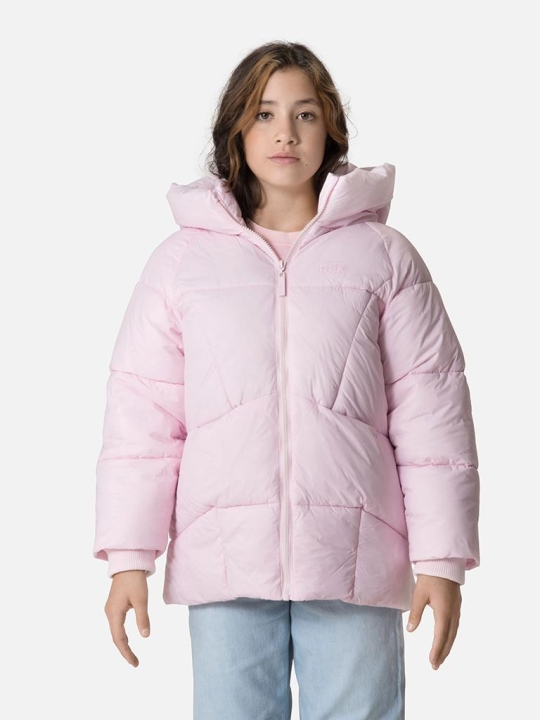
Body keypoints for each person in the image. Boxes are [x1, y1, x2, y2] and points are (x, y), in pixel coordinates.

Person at [93, 40, 480, 719]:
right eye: (264, 114)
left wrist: (443, 561)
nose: (285, 133)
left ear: (330, 129)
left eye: (305, 114)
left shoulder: (384, 258)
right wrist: (130, 556)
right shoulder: (181, 264)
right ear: (236, 131)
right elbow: (144, 420)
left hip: (354, 557)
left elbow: (432, 414)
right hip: (227, 560)